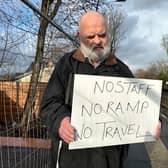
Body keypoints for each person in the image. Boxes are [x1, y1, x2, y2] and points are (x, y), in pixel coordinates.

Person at [40, 11, 161, 168]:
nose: (97, 41)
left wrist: (152, 122)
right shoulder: (66, 65)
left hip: (110, 160)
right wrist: (61, 122)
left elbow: (142, 106)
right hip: (71, 160)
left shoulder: (121, 70)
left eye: (102, 35)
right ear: (79, 36)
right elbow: (49, 103)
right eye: (90, 37)